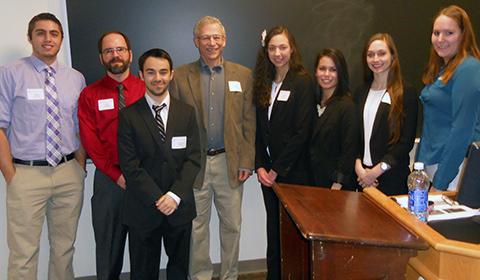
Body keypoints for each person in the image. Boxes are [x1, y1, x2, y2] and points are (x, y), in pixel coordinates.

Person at [0, 13, 86, 280]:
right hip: (26, 174)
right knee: (23, 252)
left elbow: (80, 126)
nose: (48, 39)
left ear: (60, 39)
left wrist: (79, 167)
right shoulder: (10, 73)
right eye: (41, 33)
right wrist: (10, 173)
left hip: (68, 172)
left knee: (64, 248)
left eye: (54, 33)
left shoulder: (75, 78)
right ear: (30, 37)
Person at [170, 16, 255, 280]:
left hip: (230, 162)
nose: (211, 42)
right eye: (205, 37)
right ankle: (201, 276)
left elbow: (249, 122)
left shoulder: (243, 75)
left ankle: (230, 275)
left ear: (225, 40)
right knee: (197, 228)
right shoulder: (181, 76)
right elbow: (173, 123)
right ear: (196, 42)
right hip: (196, 165)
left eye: (216, 37)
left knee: (232, 226)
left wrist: (246, 161)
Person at [118, 48, 200, 280]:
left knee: (179, 270)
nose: (158, 78)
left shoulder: (187, 113)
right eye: (151, 72)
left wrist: (173, 196)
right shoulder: (129, 116)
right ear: (141, 75)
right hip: (143, 208)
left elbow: (194, 159)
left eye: (163, 72)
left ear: (172, 74)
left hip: (179, 206)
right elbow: (130, 165)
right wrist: (158, 198)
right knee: (143, 272)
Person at [78, 31, 145, 279]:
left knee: (143, 248)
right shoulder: (89, 95)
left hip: (144, 179)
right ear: (101, 57)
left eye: (119, 49)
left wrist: (140, 176)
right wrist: (116, 175)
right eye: (109, 51)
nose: (115, 55)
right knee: (108, 248)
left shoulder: (146, 88)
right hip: (108, 180)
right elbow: (90, 141)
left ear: (130, 53)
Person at [253, 26, 315, 280]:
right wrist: (260, 166)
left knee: (293, 234)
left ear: (292, 49)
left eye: (283, 47)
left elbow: (303, 132)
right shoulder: (263, 81)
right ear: (266, 51)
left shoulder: (303, 81)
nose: (277, 53)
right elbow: (257, 127)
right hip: (267, 174)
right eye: (272, 48)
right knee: (273, 231)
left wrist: (276, 169)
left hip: (293, 173)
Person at [417, 5, 480, 192]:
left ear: (463, 35)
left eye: (449, 33)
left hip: (453, 171)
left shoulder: (468, 68)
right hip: (431, 166)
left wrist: (440, 182)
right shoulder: (442, 69)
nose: (440, 39)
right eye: (436, 33)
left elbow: (462, 130)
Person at [354, 33, 418, 196]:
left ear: (392, 56)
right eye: (370, 55)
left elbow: (405, 143)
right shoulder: (360, 92)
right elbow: (353, 136)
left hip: (391, 178)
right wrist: (359, 169)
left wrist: (376, 172)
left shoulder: (406, 93)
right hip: (363, 177)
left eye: (381, 53)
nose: (376, 59)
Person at [309, 48, 359, 191]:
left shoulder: (347, 106)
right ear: (316, 72)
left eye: (332, 70)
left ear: (340, 73)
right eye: (322, 69)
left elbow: (349, 150)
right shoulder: (312, 103)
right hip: (312, 183)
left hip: (335, 188)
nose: (326, 74)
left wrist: (337, 183)